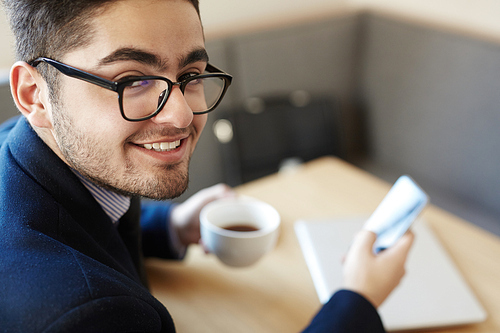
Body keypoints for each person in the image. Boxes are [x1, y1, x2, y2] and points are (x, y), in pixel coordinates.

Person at [0, 0, 414, 332]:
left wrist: (172, 227)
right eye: (132, 80)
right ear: (34, 93)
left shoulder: (17, 144)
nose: (182, 116)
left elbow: (78, 219)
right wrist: (358, 301)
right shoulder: (89, 315)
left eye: (191, 74)